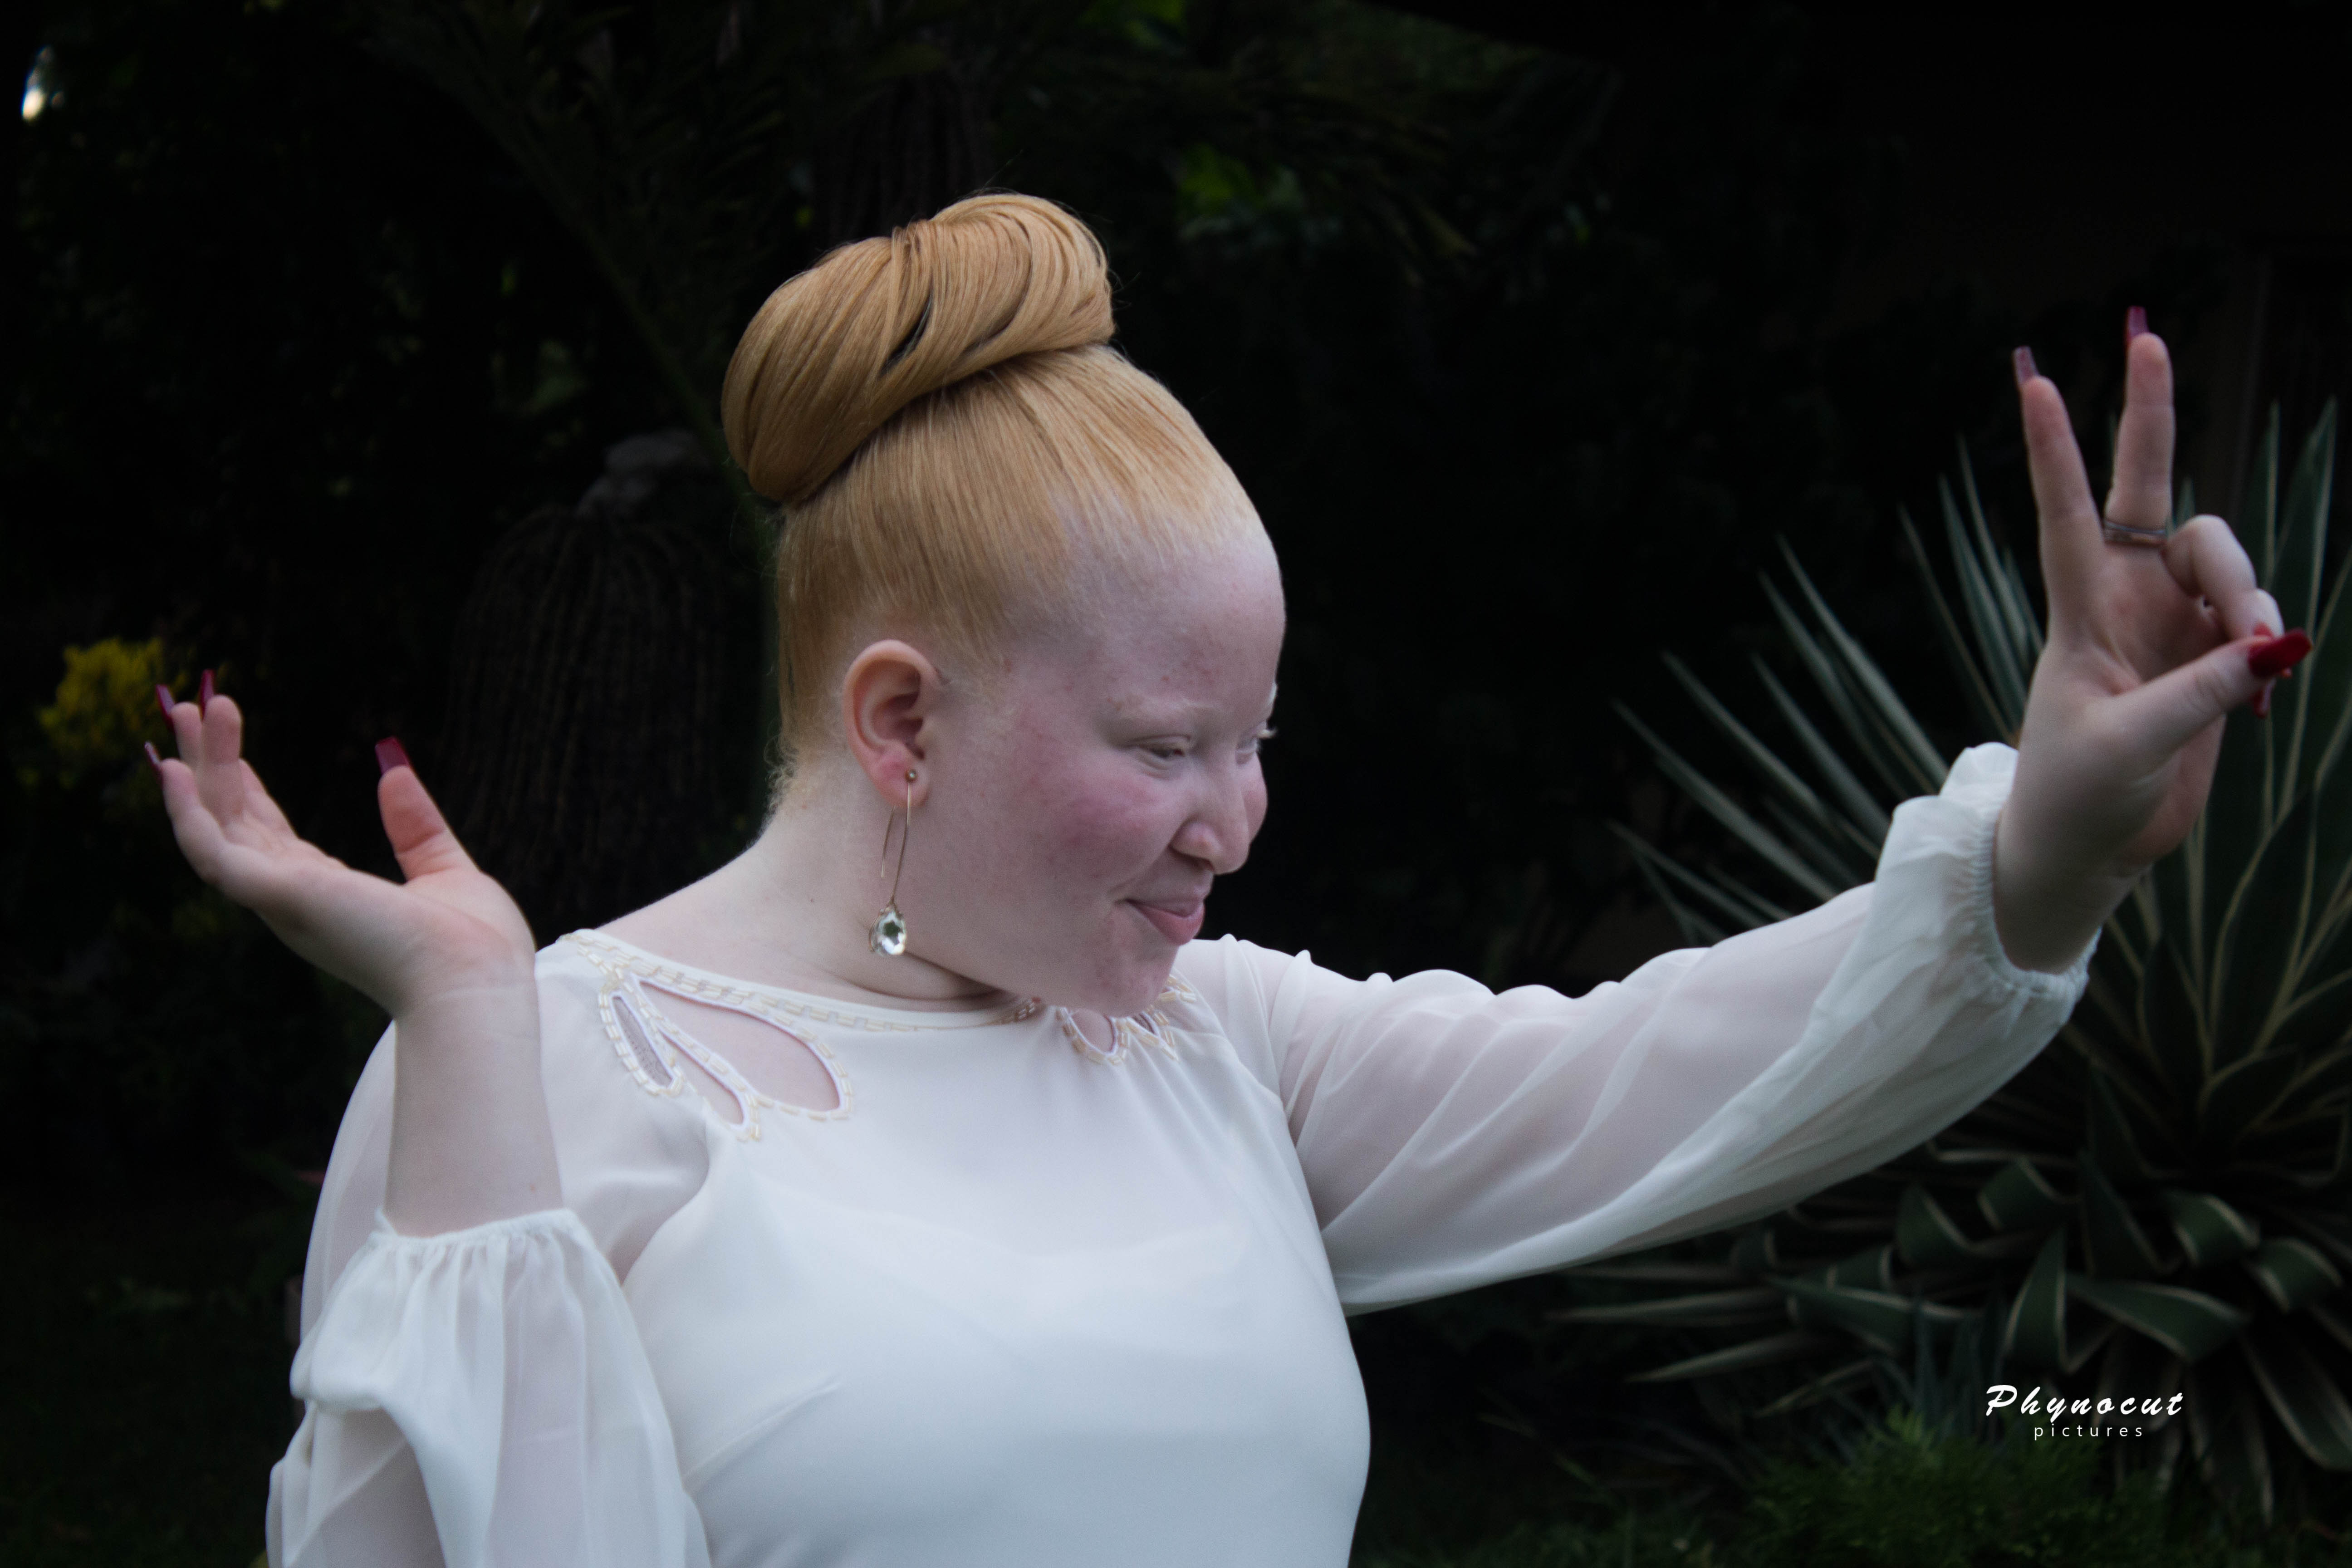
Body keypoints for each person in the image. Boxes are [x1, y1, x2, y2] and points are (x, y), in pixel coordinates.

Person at [153, 196, 2308, 1568]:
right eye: (1168, 749)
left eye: (1257, 738)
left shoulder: (1218, 1047)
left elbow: (1684, 1076)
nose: (1238, 818)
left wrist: (2042, 842)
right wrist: (461, 1047)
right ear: (901, 722)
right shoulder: (540, 1066)